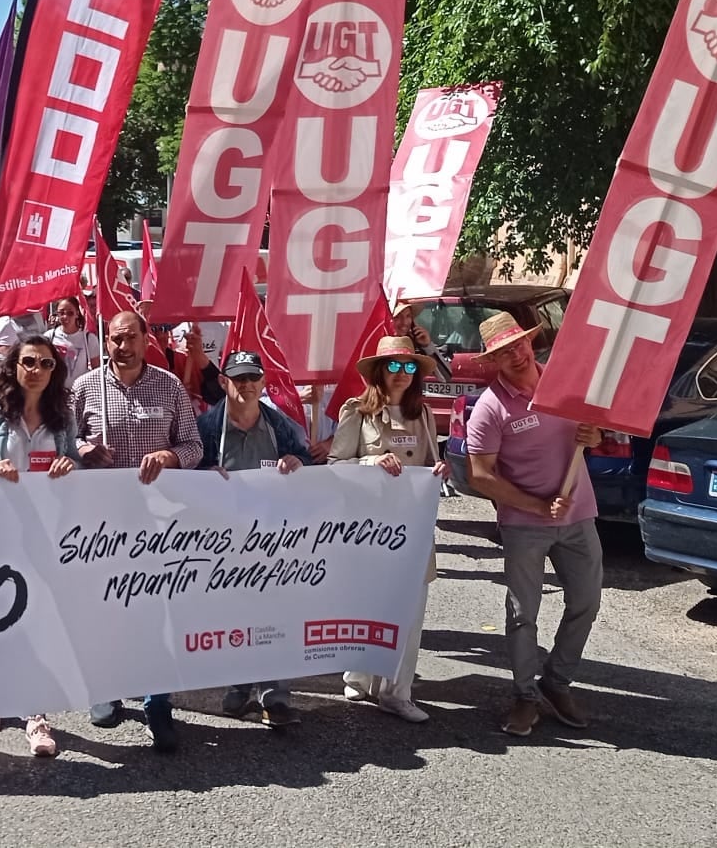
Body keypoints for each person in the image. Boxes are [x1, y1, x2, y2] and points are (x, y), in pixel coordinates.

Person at [463, 313, 603, 738]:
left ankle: (556, 683)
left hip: (579, 516)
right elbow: (479, 475)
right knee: (524, 613)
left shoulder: (565, 385)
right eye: (504, 351)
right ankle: (525, 696)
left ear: (531, 344)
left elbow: (592, 436)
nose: (515, 354)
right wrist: (537, 506)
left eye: (519, 345)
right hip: (525, 524)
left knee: (587, 602)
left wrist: (593, 437)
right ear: (493, 361)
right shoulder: (490, 407)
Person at [71, 309, 203, 752]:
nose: (121, 347)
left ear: (147, 340)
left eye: (129, 338)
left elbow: (194, 445)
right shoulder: (86, 387)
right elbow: (64, 439)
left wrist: (168, 457)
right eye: (113, 339)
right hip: (102, 520)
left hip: (157, 520)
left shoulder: (169, 386)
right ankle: (107, 687)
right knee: (107, 607)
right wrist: (84, 448)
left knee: (156, 609)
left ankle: (157, 699)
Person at [0, 336, 79, 756]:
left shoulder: (62, 417)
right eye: (29, 362)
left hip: (44, 531)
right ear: (14, 366)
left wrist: (69, 464)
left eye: (46, 363)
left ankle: (36, 714)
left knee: (37, 620)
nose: (37, 370)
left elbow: (74, 465)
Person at [195, 350, 314, 727]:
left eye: (252, 378)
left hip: (272, 539)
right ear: (223, 382)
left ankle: (274, 695)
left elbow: (307, 462)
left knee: (273, 614)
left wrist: (298, 464)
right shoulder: (206, 428)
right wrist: (202, 474)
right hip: (224, 539)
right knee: (231, 614)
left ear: (263, 382)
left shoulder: (281, 425)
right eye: (238, 378)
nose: (246, 385)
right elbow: (190, 470)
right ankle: (238, 685)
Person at [331, 335, 444, 724]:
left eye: (410, 366)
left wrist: (440, 471)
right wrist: (371, 464)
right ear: (379, 371)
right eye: (393, 366)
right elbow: (334, 467)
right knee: (366, 604)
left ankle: (397, 692)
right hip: (369, 529)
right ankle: (357, 673)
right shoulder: (356, 412)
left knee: (411, 612)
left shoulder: (425, 414)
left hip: (412, 527)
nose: (402, 374)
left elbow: (431, 464)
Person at [47, 296, 101, 385]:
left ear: (77, 314)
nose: (65, 316)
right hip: (56, 391)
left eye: (70, 313)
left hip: (80, 391)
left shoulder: (89, 339)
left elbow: (96, 369)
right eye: (61, 313)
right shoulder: (49, 337)